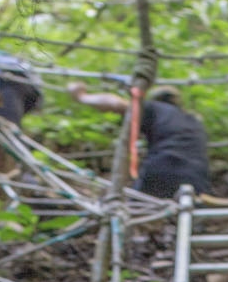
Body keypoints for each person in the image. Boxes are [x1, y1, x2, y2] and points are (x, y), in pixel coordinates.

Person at [68, 80, 213, 199]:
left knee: (133, 212)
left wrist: (82, 97)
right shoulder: (192, 120)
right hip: (197, 176)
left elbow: (117, 104)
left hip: (164, 167)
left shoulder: (155, 109)